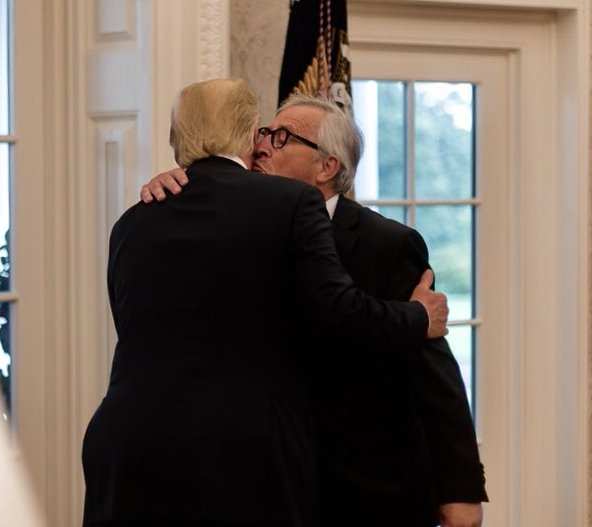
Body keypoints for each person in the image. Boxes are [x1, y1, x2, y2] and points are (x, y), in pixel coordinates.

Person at [81, 78, 450, 527]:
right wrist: (418, 316)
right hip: (239, 457)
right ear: (249, 132)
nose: (266, 145)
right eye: (265, 132)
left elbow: (135, 326)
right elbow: (336, 309)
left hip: (127, 447)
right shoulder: (290, 203)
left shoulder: (134, 219)